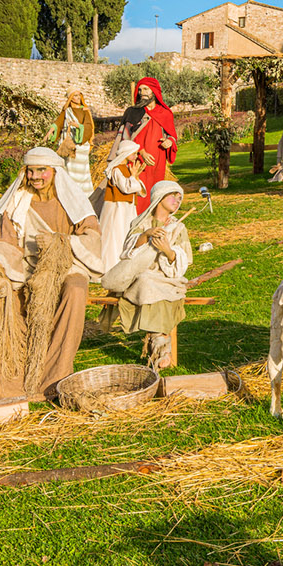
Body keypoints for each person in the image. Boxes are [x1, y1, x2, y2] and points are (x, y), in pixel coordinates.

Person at [0, 148, 103, 402]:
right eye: (30, 170)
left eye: (41, 170)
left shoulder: (73, 201)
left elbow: (92, 239)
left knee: (76, 289)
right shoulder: (18, 201)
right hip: (24, 265)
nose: (35, 176)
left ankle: (55, 376)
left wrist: (60, 242)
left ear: (55, 172)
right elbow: (6, 242)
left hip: (65, 265)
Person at [102, 180, 191, 369]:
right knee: (145, 281)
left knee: (159, 287)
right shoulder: (141, 224)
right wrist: (147, 235)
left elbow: (184, 260)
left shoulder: (178, 227)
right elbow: (127, 252)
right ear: (159, 198)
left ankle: (159, 343)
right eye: (172, 196)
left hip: (166, 277)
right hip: (140, 276)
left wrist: (168, 252)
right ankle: (159, 343)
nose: (177, 200)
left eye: (179, 197)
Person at [118, 77, 179, 211]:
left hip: (158, 160)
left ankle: (152, 220)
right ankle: (136, 222)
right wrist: (141, 151)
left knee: (156, 190)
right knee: (139, 191)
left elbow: (172, 135)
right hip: (138, 160)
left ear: (155, 91)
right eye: (139, 89)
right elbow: (126, 137)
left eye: (145, 89)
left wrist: (170, 141)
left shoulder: (165, 113)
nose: (141, 92)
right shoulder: (133, 112)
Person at [97, 140, 146, 271]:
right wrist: (134, 177)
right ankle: (110, 266)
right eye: (134, 153)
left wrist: (135, 176)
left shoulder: (128, 169)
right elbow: (126, 187)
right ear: (126, 153)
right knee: (115, 233)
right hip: (117, 208)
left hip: (127, 208)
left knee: (126, 232)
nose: (136, 156)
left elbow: (138, 189)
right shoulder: (116, 170)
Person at [54, 91, 96, 198]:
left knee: (83, 172)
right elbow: (58, 123)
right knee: (69, 169)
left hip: (81, 145)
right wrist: (52, 130)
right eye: (74, 96)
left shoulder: (85, 110)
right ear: (70, 98)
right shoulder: (66, 110)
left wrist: (79, 126)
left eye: (78, 96)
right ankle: (70, 194)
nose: (77, 98)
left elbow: (88, 126)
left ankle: (84, 196)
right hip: (69, 145)